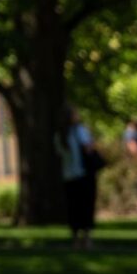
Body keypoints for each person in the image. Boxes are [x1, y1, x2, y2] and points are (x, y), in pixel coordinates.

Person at [56, 106, 99, 249]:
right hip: (83, 174)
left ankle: (75, 239)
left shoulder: (59, 135)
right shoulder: (79, 131)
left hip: (68, 175)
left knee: (73, 208)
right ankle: (86, 238)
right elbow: (88, 148)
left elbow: (60, 155)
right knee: (86, 207)